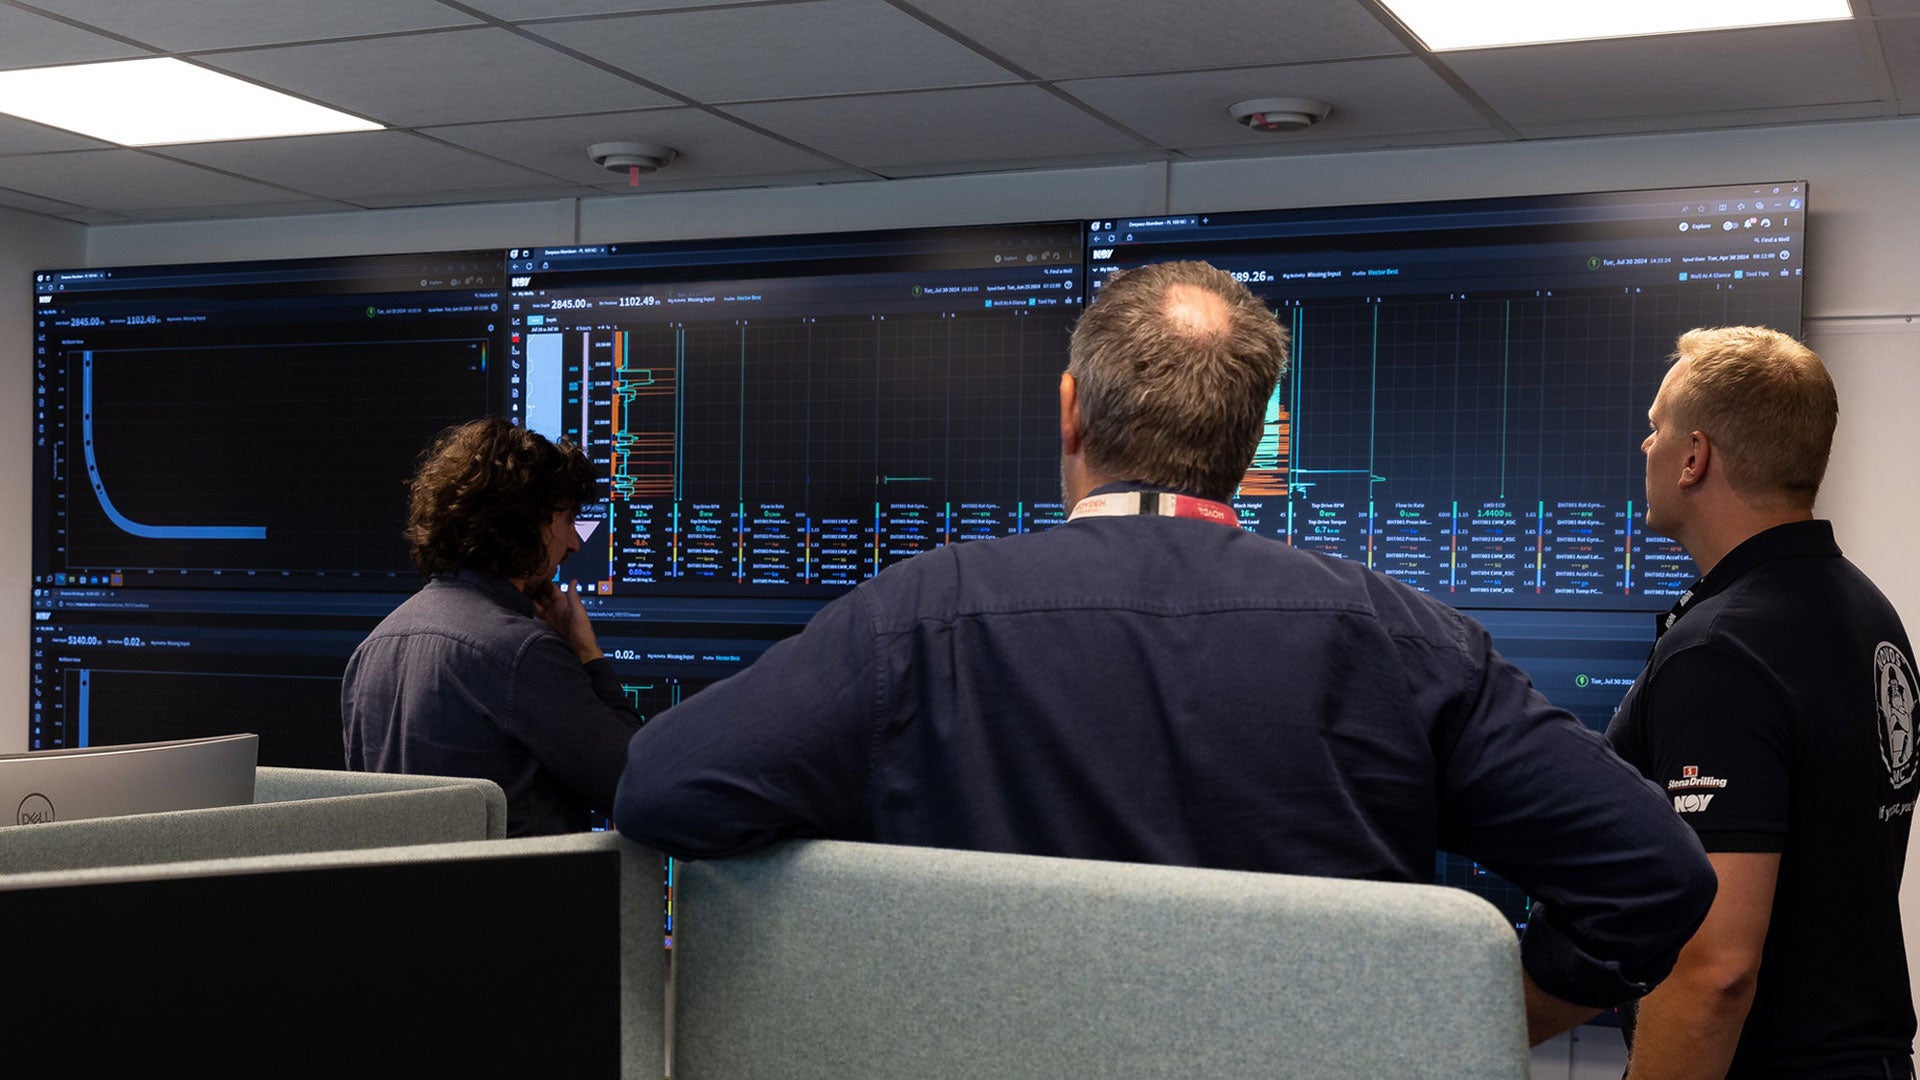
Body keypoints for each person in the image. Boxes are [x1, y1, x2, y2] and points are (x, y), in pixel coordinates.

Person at [613, 260, 1715, 1043]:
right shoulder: (1406, 643)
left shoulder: (923, 618)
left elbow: (663, 787)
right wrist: (1454, 1020)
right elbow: (1655, 875)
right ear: (1254, 440)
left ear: (1069, 413)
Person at [1608, 327, 1917, 1079]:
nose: (1643, 447)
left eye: (1655, 429)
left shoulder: (1723, 651)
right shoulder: (1866, 611)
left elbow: (1717, 970)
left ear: (1694, 457)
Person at [343, 418, 641, 836]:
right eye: (568, 519)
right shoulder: (522, 651)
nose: (574, 543)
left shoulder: (373, 648)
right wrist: (587, 654)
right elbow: (635, 783)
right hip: (516, 898)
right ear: (525, 519)